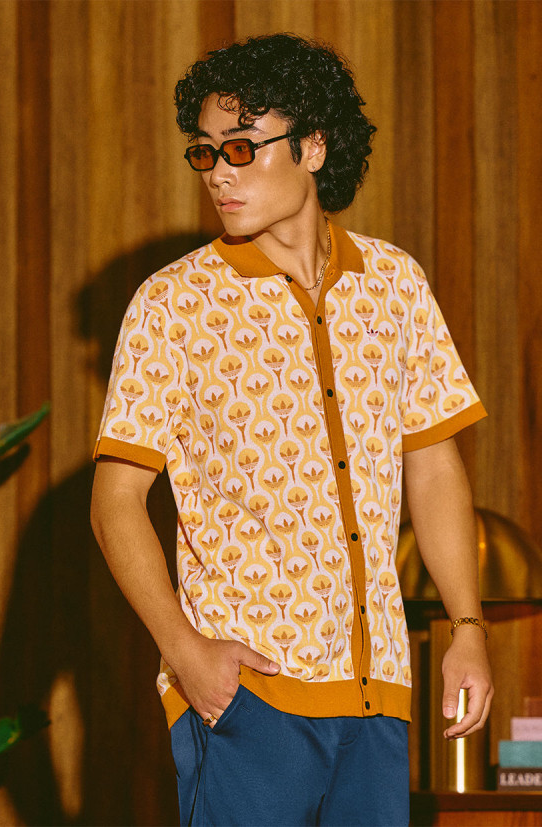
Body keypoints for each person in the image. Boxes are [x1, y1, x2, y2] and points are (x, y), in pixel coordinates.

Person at [91, 34, 491, 825]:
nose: (220, 173)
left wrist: (467, 627)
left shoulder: (395, 284)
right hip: (247, 697)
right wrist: (185, 652)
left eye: (241, 147)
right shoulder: (173, 304)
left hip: (378, 696)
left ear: (312, 147)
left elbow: (435, 469)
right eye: (204, 153)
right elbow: (115, 504)